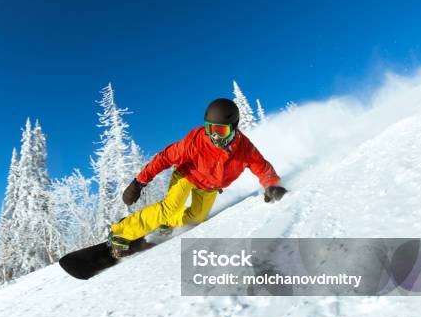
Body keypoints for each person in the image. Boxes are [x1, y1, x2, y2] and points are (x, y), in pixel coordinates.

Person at [108, 98, 287, 258]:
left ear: (234, 127)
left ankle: (167, 223)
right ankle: (121, 232)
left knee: (197, 218)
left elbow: (261, 166)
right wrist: (139, 182)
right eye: (210, 129)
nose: (215, 136)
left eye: (221, 131)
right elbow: (164, 157)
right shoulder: (196, 142)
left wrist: (271, 184)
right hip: (187, 176)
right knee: (169, 208)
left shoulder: (244, 148)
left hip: (209, 186)